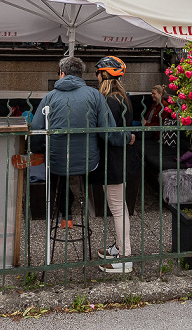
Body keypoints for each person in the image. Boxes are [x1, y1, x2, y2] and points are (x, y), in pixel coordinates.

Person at [30, 56, 134, 236]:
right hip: (89, 164)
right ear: (80, 75)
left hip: (57, 163)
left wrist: (37, 151)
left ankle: (65, 212)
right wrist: (127, 137)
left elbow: (37, 131)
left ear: (62, 73)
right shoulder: (94, 95)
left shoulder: (49, 97)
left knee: (55, 170)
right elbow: (108, 131)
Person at [95, 56, 139, 274]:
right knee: (118, 206)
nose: (96, 76)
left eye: (98, 72)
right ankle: (118, 248)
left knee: (118, 209)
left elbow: (108, 134)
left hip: (112, 161)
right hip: (122, 158)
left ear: (104, 75)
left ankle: (125, 257)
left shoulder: (108, 101)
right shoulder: (123, 97)